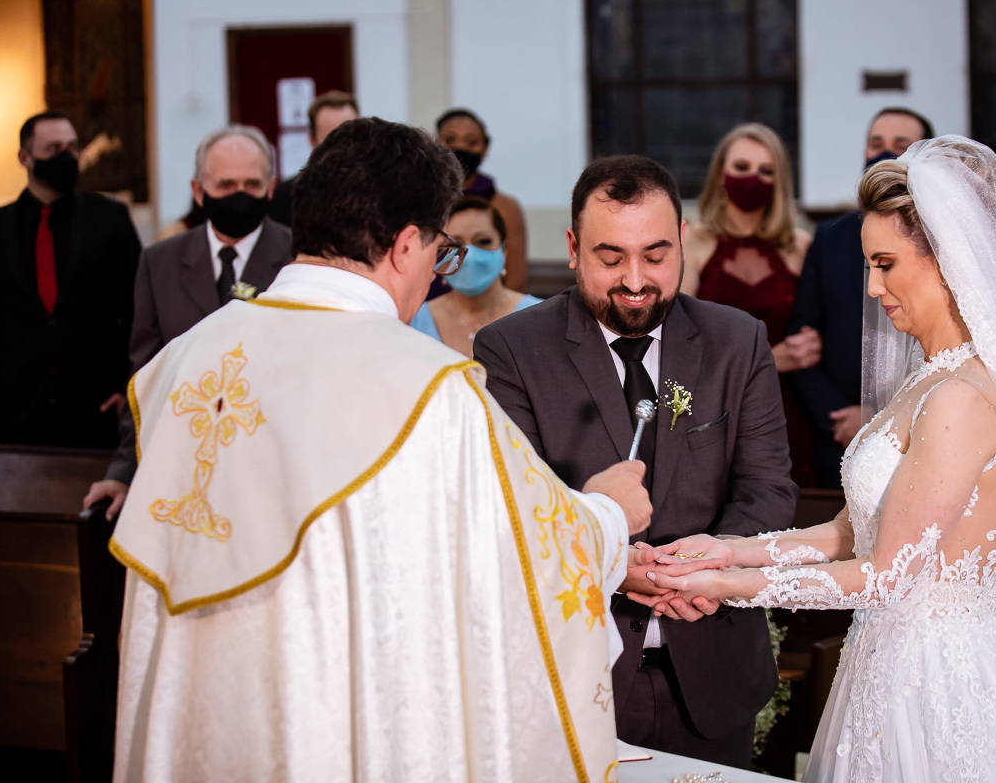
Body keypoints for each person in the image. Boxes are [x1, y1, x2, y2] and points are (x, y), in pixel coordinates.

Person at [109, 117, 652, 782]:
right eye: (438, 254)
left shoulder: (184, 361)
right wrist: (605, 512)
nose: (435, 276)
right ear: (403, 247)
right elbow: (526, 556)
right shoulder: (428, 389)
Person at [646, 137, 996, 782]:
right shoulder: (926, 381)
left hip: (943, 681)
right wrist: (725, 551)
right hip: (886, 660)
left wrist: (719, 588)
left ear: (949, 261)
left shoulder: (961, 397)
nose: (872, 286)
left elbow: (885, 576)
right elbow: (849, 534)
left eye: (885, 263)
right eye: (867, 264)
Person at [474, 155, 797, 767]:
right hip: (577, 672)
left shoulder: (737, 341)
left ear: (683, 242)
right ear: (572, 248)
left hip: (712, 662)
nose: (635, 280)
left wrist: (709, 565)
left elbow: (767, 489)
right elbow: (510, 511)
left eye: (655, 254)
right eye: (610, 257)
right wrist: (617, 565)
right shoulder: (512, 350)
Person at [83, 125, 293, 517]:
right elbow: (144, 376)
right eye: (226, 184)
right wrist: (124, 470)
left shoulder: (302, 257)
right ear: (199, 191)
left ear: (270, 187)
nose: (240, 195)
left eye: (252, 183)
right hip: (184, 470)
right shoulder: (158, 262)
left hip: (275, 475)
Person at [0, 110, 141, 447]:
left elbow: (138, 310)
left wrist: (128, 387)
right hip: (13, 409)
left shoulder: (110, 219)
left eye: (72, 147)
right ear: (25, 158)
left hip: (97, 407)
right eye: (53, 149)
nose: (66, 156)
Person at [789, 107, 934, 488]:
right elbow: (802, 338)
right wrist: (838, 415)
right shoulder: (831, 236)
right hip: (837, 434)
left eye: (900, 145)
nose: (884, 152)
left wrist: (878, 415)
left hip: (922, 431)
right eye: (876, 144)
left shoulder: (939, 241)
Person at [681, 123, 819, 486]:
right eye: (741, 167)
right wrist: (771, 359)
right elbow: (680, 339)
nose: (752, 178)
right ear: (720, 173)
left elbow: (817, 325)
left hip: (786, 405)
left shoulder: (798, 246)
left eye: (766, 171)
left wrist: (812, 343)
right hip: (713, 402)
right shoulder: (692, 242)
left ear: (780, 181)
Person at [411, 196, 540, 356]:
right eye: (456, 244)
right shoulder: (414, 320)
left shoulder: (539, 318)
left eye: (483, 241)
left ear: (504, 250)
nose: (469, 255)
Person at [435, 108, 528, 291]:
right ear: (436, 144)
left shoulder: (505, 207)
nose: (460, 147)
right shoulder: (419, 199)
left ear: (484, 149)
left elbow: (516, 278)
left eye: (471, 141)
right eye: (450, 139)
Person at [268, 90, 359, 228]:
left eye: (349, 136)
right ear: (312, 140)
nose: (343, 146)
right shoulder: (284, 199)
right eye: (332, 139)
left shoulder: (383, 191)